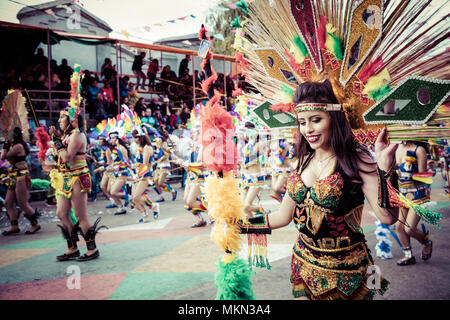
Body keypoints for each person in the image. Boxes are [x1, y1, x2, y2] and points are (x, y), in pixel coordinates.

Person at [240, 80, 400, 300]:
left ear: (333, 119)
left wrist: (386, 169)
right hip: (303, 265)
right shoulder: (301, 161)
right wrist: (240, 225)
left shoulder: (356, 158)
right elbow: (282, 216)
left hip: (348, 271)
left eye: (316, 120)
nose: (308, 129)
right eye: (302, 122)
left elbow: (388, 217)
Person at [51, 107, 105, 261]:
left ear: (72, 120)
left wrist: (56, 142)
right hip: (65, 178)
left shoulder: (77, 135)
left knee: (80, 215)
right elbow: (61, 159)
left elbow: (67, 157)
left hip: (78, 177)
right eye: (60, 117)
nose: (59, 120)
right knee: (61, 214)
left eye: (62, 117)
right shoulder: (66, 137)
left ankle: (92, 249)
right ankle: (72, 248)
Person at [394, 141, 433, 265]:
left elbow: (423, 176)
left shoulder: (419, 150)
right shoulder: (397, 147)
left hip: (418, 194)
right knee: (399, 227)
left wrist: (409, 175)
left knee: (409, 229)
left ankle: (427, 243)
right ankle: (408, 256)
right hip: (402, 194)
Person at [1, 127, 41, 235]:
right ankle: (14, 226)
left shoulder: (18, 146)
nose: (7, 134)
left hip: (21, 177)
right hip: (13, 177)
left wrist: (5, 145)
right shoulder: (13, 145)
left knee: (22, 203)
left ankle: (35, 224)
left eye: (9, 133)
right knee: (8, 203)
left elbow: (3, 156)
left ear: (15, 135)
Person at [131, 129, 159, 222]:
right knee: (134, 198)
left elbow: (145, 165)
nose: (134, 140)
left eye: (136, 137)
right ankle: (145, 215)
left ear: (141, 137)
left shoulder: (147, 147)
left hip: (145, 175)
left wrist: (137, 173)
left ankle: (153, 205)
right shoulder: (141, 147)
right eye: (133, 138)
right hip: (138, 174)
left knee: (136, 197)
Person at [108, 131, 131, 215]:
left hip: (123, 173)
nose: (112, 140)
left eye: (114, 138)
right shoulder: (114, 149)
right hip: (116, 174)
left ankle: (129, 198)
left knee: (113, 192)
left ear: (118, 138)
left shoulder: (121, 147)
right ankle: (121, 208)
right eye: (111, 138)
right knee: (111, 192)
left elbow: (126, 161)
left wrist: (117, 165)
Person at [152, 137, 177, 202]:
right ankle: (161, 197)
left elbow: (167, 154)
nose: (156, 139)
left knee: (160, 183)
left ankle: (173, 191)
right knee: (155, 182)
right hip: (158, 166)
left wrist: (160, 146)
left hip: (165, 165)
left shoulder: (164, 143)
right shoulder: (157, 145)